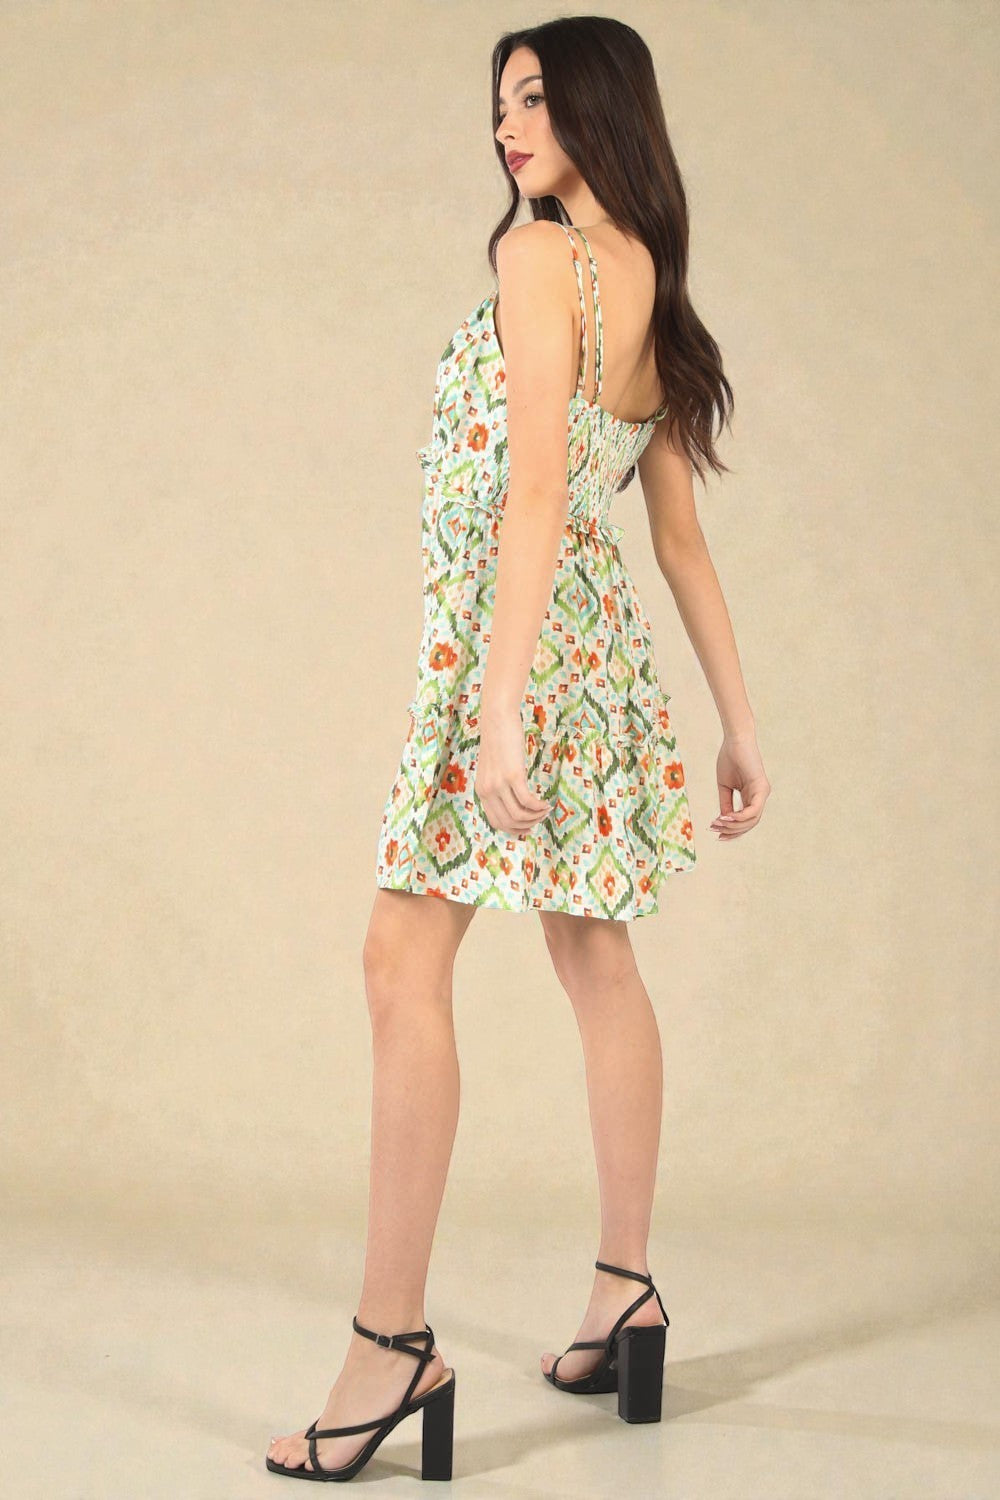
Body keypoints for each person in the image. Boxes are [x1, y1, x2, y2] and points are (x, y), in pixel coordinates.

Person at [266, 14, 770, 1484]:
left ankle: (391, 1346)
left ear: (603, 106)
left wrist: (491, 701)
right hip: (596, 659)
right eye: (497, 105)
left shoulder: (538, 259)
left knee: (397, 962)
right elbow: (675, 540)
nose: (506, 128)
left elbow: (540, 483)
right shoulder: (652, 285)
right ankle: (627, 1289)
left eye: (534, 99)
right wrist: (739, 722)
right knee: (595, 957)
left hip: (512, 643)